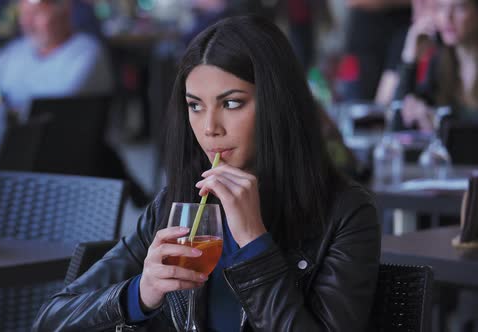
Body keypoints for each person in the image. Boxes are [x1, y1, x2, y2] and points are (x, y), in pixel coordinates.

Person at [33, 16, 380, 331]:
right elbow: (51, 318)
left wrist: (254, 244)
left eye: (231, 103)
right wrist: (141, 292)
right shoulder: (175, 205)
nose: (209, 128)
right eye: (195, 106)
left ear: (277, 103)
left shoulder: (345, 214)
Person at [394, 0, 478, 132]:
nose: (447, 17)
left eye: (460, 8)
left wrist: (440, 125)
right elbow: (398, 125)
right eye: (441, 8)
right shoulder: (439, 63)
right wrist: (409, 58)